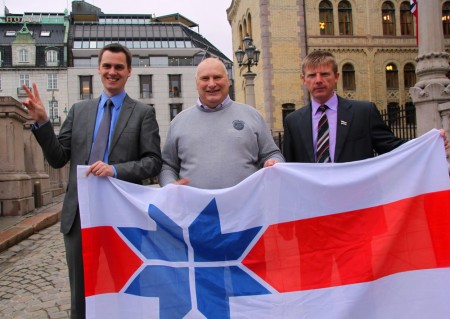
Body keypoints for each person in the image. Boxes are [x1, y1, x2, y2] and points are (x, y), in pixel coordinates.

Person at [22, 43, 162, 319]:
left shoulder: (143, 113)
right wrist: (42, 123)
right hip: (80, 216)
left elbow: (153, 162)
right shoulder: (79, 111)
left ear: (129, 72)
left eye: (119, 67)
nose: (112, 72)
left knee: (126, 287)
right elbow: (58, 158)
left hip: (123, 218)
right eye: (107, 66)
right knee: (81, 292)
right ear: (99, 69)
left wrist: (115, 169)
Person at [283, 50, 448, 163]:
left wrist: (428, 143)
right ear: (304, 80)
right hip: (314, 205)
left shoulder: (363, 112)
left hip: (357, 203)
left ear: (336, 77)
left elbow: (391, 147)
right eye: (312, 75)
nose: (318, 80)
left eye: (325, 74)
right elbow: (290, 166)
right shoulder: (293, 121)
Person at [159, 57, 284, 189]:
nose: (212, 84)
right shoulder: (178, 122)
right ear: (196, 83)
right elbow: (167, 165)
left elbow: (272, 154)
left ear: (228, 80)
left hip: (246, 205)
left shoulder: (252, 116)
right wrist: (169, 185)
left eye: (217, 77)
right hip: (195, 207)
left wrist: (274, 163)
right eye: (205, 78)